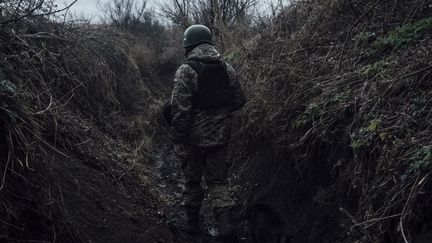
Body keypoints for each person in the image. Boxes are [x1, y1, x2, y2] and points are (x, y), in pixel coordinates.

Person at [169, 24, 246, 241]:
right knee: (218, 182)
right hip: (220, 138)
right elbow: (239, 99)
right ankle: (225, 227)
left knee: (192, 182)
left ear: (189, 45)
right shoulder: (227, 68)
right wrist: (220, 114)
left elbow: (180, 110)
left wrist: (178, 140)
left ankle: (192, 228)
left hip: (194, 140)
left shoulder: (186, 70)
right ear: (209, 42)